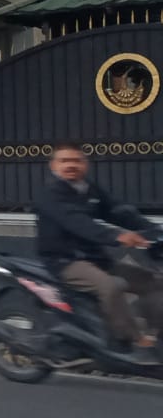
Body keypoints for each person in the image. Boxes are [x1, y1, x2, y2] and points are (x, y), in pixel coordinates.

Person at [34, 141, 161, 352]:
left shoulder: (88, 189)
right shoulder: (50, 194)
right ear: (53, 166)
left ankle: (158, 333)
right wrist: (118, 236)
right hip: (64, 260)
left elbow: (118, 212)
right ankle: (131, 340)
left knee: (153, 282)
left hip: (96, 257)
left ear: (86, 164)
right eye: (64, 160)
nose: (71, 165)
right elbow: (78, 223)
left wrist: (153, 230)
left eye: (76, 160)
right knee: (110, 287)